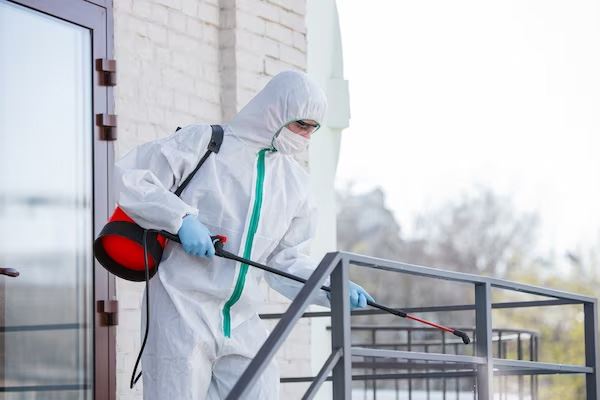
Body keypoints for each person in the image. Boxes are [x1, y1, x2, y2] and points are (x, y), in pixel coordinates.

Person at [114, 70, 374, 400]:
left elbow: (284, 261)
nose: (306, 136)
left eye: (313, 129)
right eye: (301, 125)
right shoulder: (205, 144)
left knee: (260, 390)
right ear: (275, 111)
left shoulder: (295, 184)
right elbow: (130, 177)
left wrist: (331, 287)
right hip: (181, 308)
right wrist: (181, 219)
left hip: (241, 319)